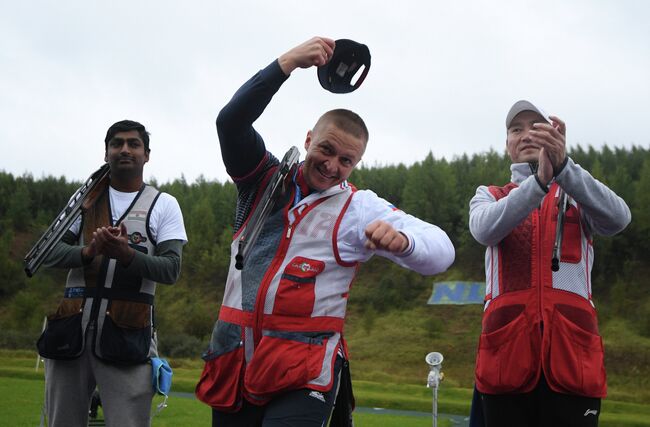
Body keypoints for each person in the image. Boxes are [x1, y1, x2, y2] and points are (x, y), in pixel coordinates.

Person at [195, 37, 456, 426]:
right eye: (326, 150)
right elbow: (230, 121)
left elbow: (443, 251)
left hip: (303, 372)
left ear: (357, 163)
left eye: (346, 160)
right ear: (308, 140)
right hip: (233, 361)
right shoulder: (261, 178)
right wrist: (287, 63)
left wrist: (405, 242)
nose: (332, 165)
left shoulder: (359, 207)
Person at [468, 100, 631, 427]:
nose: (526, 134)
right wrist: (539, 184)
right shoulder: (490, 194)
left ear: (554, 139)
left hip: (574, 360)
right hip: (506, 359)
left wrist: (564, 169)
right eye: (516, 129)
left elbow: (619, 218)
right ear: (507, 145)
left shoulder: (578, 195)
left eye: (536, 127)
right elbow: (483, 229)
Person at [37, 120, 188, 427]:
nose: (124, 150)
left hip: (129, 335)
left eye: (134, 144)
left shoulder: (164, 204)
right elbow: (46, 253)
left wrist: (127, 255)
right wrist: (86, 252)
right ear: (105, 153)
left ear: (147, 154)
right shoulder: (82, 201)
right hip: (70, 331)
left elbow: (171, 269)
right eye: (116, 143)